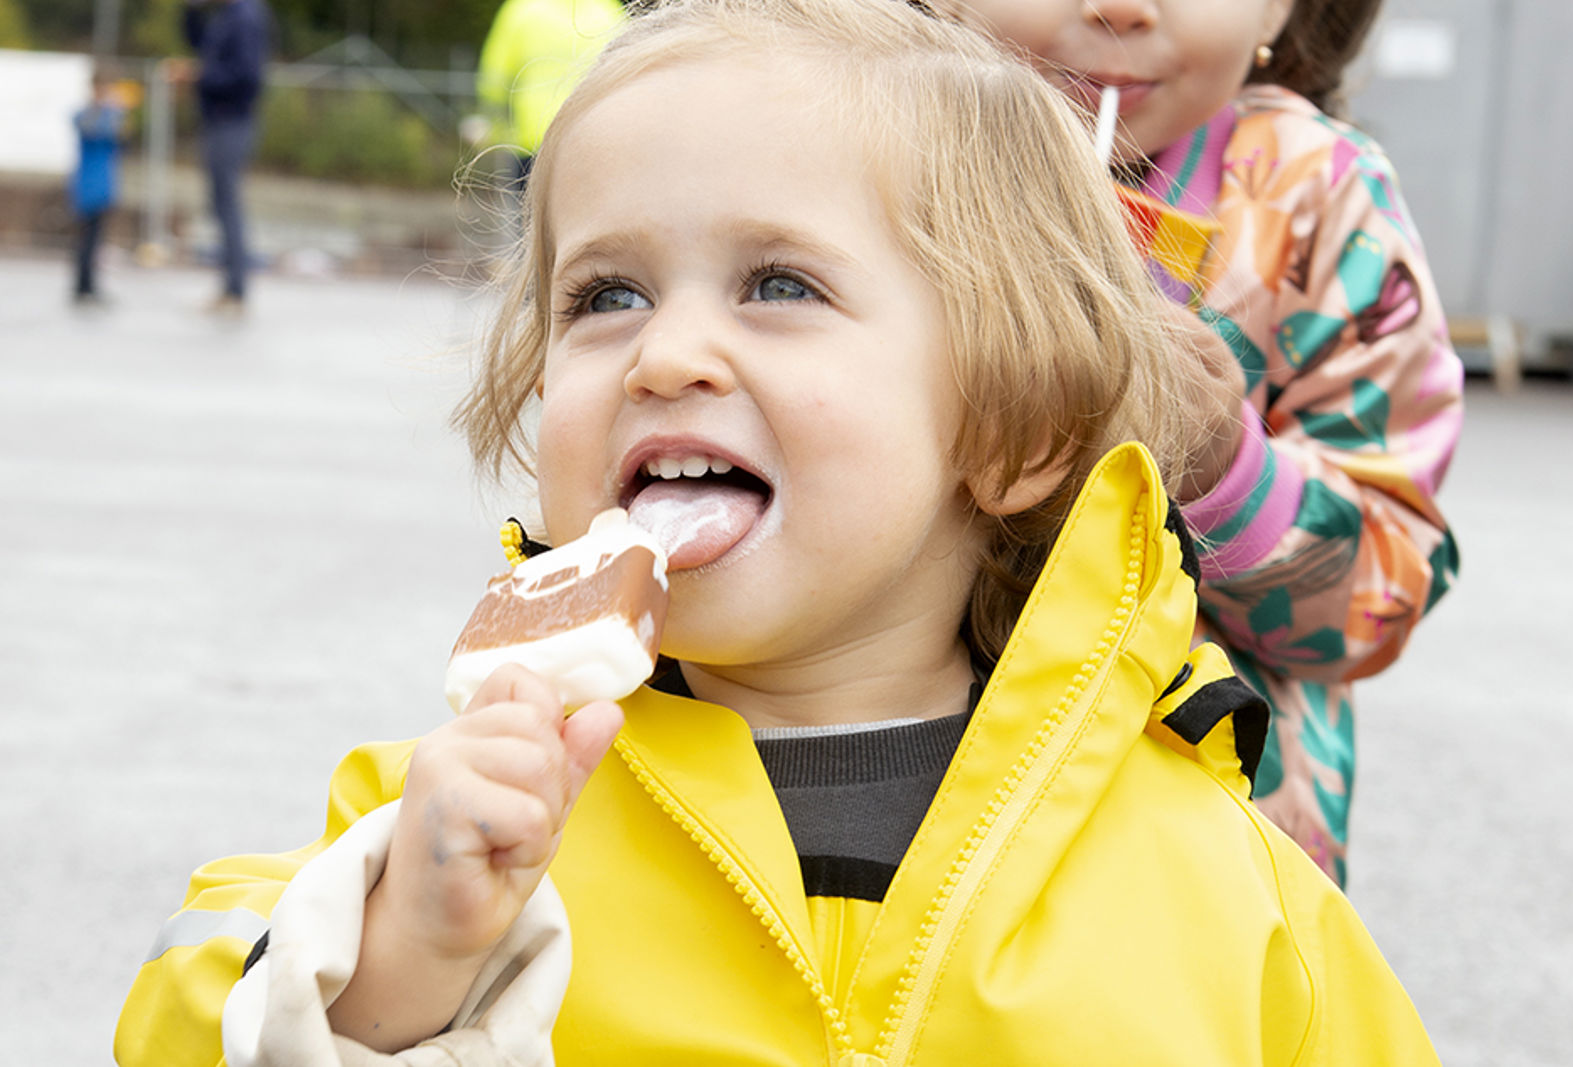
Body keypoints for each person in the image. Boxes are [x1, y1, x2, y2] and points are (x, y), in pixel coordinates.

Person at [115, 1, 1441, 1063]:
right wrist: (397, 968)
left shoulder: (1231, 892)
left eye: (780, 283)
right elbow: (180, 1016)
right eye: (606, 295)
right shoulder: (446, 821)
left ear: (1015, 426)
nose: (666, 353)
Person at [944, 0, 1464, 885]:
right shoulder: (856, 146)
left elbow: (1382, 589)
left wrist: (1226, 464)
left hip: (1207, 844)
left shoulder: (1320, 200)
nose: (1120, 7)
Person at [180, 0, 273, 313]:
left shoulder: (245, 16)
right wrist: (191, 11)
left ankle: (236, 290)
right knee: (220, 204)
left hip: (232, 121)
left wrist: (199, 77)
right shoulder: (226, 15)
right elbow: (200, 43)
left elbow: (246, 75)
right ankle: (231, 288)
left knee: (228, 203)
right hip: (220, 121)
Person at [475, 0, 627, 190]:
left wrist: (493, 120)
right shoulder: (608, 11)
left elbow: (495, 76)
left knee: (530, 205)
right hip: (593, 134)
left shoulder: (521, 10)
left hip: (533, 135)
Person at [69, 67, 128, 306]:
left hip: (104, 185)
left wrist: (116, 112)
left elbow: (122, 141)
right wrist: (103, 109)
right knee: (86, 239)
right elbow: (89, 129)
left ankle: (90, 285)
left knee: (96, 240)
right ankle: (83, 286)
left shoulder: (114, 115)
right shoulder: (85, 114)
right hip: (87, 185)